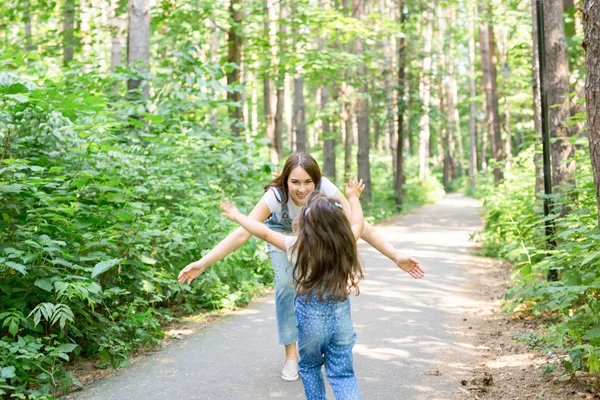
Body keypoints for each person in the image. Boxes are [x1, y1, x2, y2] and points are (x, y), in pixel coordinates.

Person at [178, 153, 424, 381]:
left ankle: (322, 343)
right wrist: (203, 263)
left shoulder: (325, 189)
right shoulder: (274, 197)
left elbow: (356, 227)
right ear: (285, 181)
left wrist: (395, 255)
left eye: (308, 182)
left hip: (315, 236)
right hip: (281, 236)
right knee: (286, 285)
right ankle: (291, 356)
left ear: (316, 180)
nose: (302, 188)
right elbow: (246, 233)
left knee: (319, 287)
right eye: (295, 182)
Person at [220, 177, 366, 399]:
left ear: (307, 225)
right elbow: (358, 223)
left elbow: (264, 232)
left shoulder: (298, 246)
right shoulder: (346, 240)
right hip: (341, 317)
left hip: (311, 319)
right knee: (343, 374)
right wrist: (354, 198)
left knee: (309, 368)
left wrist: (238, 216)